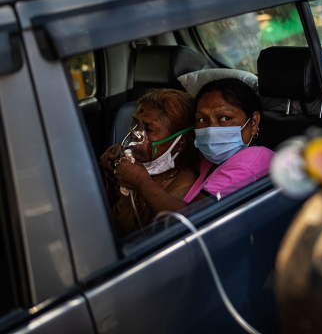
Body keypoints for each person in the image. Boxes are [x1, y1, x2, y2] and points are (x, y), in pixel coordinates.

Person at [114, 78, 274, 212]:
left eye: (225, 118)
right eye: (202, 119)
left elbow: (191, 221)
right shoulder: (213, 158)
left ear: (253, 123)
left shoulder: (250, 163)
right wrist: (120, 152)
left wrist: (141, 182)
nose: (211, 129)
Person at [100, 88, 198, 237]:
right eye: (134, 124)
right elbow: (103, 219)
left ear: (181, 141)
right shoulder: (128, 164)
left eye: (149, 129)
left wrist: (141, 183)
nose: (135, 135)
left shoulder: (184, 186)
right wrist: (109, 178)